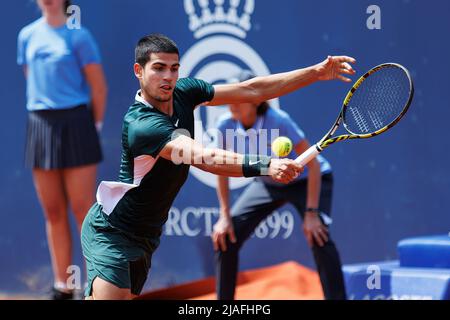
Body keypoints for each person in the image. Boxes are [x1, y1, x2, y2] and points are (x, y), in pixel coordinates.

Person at [80, 33, 355, 300]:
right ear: (138, 71)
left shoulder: (184, 92)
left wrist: (315, 73)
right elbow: (206, 158)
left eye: (174, 69)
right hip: (113, 231)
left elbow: (252, 89)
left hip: (146, 236)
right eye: (159, 68)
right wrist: (266, 166)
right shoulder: (142, 126)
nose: (168, 77)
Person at [211, 70, 347, 300]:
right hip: (268, 182)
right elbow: (220, 169)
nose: (230, 101)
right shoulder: (225, 125)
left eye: (238, 95)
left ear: (256, 100)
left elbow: (313, 166)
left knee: (318, 235)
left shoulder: (279, 121)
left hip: (307, 181)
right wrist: (224, 215)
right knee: (226, 235)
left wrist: (312, 213)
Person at [17, 0, 107, 299]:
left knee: (83, 210)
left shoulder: (79, 36)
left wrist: (91, 127)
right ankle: (63, 287)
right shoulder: (27, 35)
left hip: (77, 125)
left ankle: (93, 286)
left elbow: (98, 87)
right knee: (53, 211)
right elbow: (33, 79)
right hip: (40, 125)